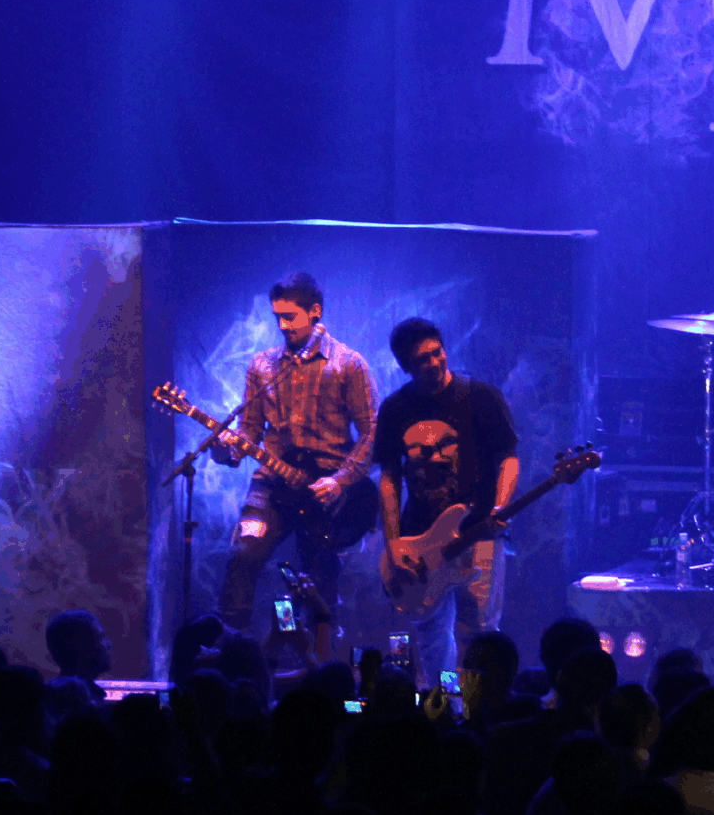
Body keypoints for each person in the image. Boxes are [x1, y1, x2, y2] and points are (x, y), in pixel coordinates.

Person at [213, 272, 379, 648]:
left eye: (290, 316)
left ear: (315, 311)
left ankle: (318, 661)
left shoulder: (349, 364)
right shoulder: (262, 366)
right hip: (272, 483)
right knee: (243, 556)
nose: (283, 326)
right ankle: (230, 654)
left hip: (327, 491)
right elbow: (248, 431)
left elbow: (372, 433)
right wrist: (226, 449)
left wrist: (340, 481)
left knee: (318, 581)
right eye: (278, 317)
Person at [373, 317, 520, 677]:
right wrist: (392, 544)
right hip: (420, 538)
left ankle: (478, 703)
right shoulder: (395, 409)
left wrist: (500, 506)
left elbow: (508, 458)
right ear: (406, 366)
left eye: (437, 353)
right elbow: (389, 477)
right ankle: (444, 701)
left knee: (480, 633)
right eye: (422, 360)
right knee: (432, 637)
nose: (434, 363)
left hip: (479, 532)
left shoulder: (481, 398)